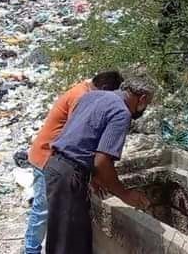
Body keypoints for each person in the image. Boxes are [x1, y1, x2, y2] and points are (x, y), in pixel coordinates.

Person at [44, 74, 155, 254]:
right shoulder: (121, 112)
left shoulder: (91, 96)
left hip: (55, 166)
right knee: (68, 245)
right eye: (147, 103)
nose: (144, 108)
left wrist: (93, 174)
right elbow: (102, 160)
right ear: (141, 99)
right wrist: (124, 194)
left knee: (63, 239)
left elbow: (81, 136)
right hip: (69, 176)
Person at [23, 71, 124, 254]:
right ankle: (30, 251)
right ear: (105, 90)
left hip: (51, 155)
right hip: (47, 155)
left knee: (50, 211)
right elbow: (79, 137)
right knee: (43, 210)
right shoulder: (82, 97)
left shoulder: (83, 91)